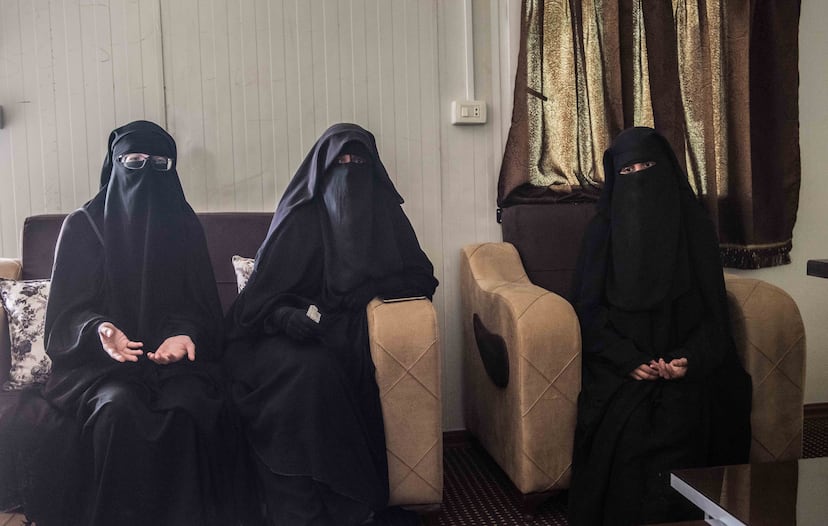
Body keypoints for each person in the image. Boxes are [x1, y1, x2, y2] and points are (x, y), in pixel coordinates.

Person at [224, 123, 438, 526]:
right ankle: (304, 504)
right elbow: (254, 304)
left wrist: (370, 288)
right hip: (278, 334)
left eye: (359, 162)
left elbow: (421, 277)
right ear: (321, 171)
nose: (350, 171)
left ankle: (341, 502)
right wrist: (283, 316)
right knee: (307, 371)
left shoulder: (386, 216)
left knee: (320, 370)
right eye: (341, 163)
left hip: (347, 327)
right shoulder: (298, 217)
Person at [33, 120, 235, 525]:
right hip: (101, 367)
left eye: (160, 165)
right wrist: (99, 329)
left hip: (174, 365)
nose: (146, 173)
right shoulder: (83, 226)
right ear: (115, 165)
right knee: (117, 410)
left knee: (188, 410)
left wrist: (185, 333)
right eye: (134, 162)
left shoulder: (184, 225)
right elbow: (65, 315)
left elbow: (201, 306)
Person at [567, 127, 752, 525]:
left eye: (647, 167)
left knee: (689, 422)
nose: (638, 179)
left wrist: (689, 359)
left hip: (684, 368)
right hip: (620, 370)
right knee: (628, 433)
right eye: (627, 171)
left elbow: (715, 317)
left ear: (667, 170)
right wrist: (627, 359)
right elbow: (587, 311)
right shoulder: (602, 233)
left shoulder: (694, 228)